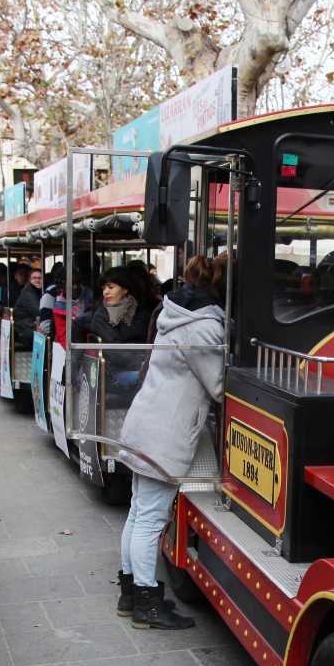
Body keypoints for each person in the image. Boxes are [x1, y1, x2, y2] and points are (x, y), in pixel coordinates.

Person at [116, 255, 227, 630]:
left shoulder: (175, 314)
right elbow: (218, 385)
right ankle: (146, 602)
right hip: (166, 431)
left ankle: (130, 593)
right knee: (151, 518)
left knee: (138, 512)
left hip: (144, 420)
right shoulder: (205, 327)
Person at [88, 265, 153, 344]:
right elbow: (116, 349)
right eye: (103, 288)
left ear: (125, 289)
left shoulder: (142, 312)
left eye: (111, 287)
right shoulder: (102, 316)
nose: (105, 292)